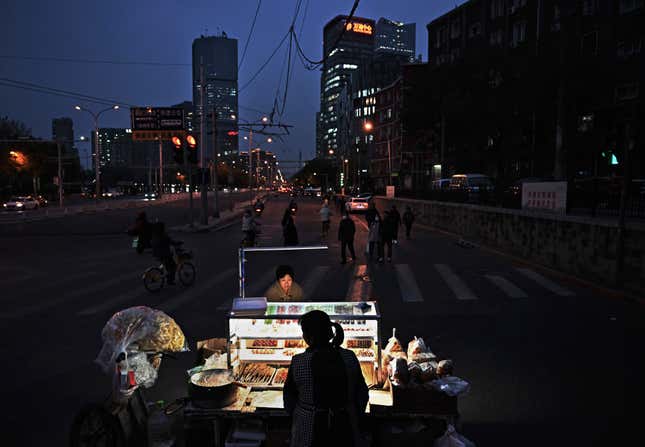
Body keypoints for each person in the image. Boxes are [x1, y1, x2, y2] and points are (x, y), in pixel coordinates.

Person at [284, 310, 368, 447]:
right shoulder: (349, 357)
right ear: (330, 333)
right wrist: (354, 413)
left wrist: (300, 415)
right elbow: (362, 393)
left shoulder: (299, 361)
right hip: (346, 426)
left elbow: (289, 400)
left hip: (308, 428)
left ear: (307, 337)